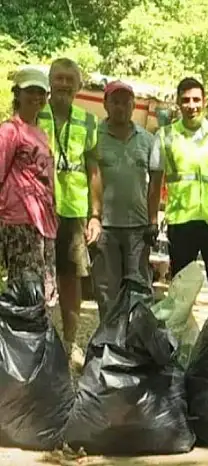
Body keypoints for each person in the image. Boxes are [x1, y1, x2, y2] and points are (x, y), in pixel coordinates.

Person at [150, 77, 208, 305]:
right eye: (185, 100)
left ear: (205, 102)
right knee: (180, 291)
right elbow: (154, 184)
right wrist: (152, 221)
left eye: (196, 100)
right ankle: (179, 339)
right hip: (182, 222)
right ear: (178, 103)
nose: (191, 105)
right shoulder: (164, 136)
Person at [38, 58, 102, 359]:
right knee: (35, 275)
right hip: (37, 210)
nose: (63, 84)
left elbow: (94, 171)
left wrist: (95, 215)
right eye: (58, 78)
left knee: (71, 277)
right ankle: (36, 340)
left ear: (78, 85)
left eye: (69, 79)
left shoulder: (88, 121)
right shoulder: (34, 113)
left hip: (74, 210)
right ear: (49, 82)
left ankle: (70, 342)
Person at [91, 81, 161, 318]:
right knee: (107, 293)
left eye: (126, 103)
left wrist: (153, 220)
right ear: (106, 104)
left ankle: (137, 344)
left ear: (133, 106)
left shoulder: (147, 140)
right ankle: (108, 346)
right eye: (116, 102)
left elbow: (155, 183)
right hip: (105, 228)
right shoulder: (93, 137)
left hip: (138, 229)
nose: (121, 107)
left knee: (139, 291)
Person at [0, 67, 57, 302]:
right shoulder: (9, 131)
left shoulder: (40, 133)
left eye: (41, 92)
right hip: (18, 219)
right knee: (24, 286)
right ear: (18, 94)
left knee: (43, 287)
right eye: (30, 91)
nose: (36, 97)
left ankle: (35, 337)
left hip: (43, 220)